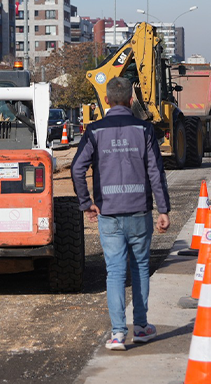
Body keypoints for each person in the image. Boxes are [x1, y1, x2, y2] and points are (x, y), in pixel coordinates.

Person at [71, 77, 171, 351]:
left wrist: (86, 202)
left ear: (106, 101)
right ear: (130, 101)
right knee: (140, 268)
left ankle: (117, 334)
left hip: (109, 214)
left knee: (114, 272)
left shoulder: (94, 131)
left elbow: (77, 168)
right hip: (139, 212)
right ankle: (141, 327)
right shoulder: (145, 129)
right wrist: (163, 209)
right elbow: (155, 172)